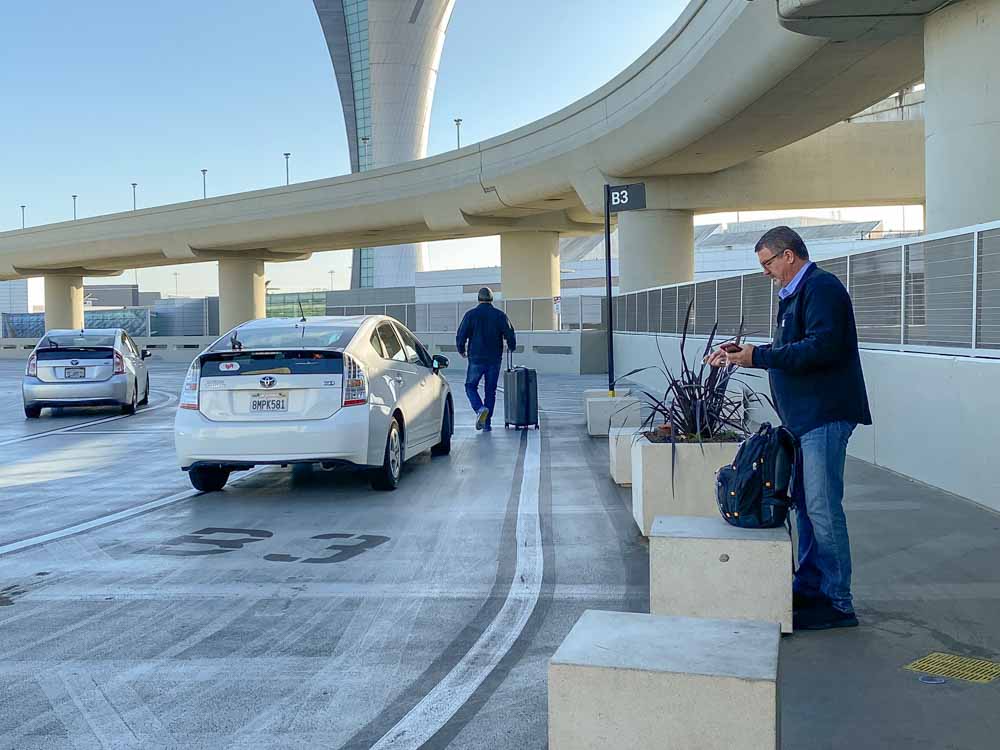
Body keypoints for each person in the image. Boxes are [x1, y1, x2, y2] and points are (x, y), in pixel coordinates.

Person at [707, 226, 872, 630]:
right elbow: (791, 350)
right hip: (803, 419)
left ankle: (837, 601)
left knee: (821, 506)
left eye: (767, 263)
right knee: (805, 506)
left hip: (824, 417)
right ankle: (811, 585)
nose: (766, 272)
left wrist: (758, 356)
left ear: (788, 256)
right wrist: (744, 353)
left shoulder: (822, 288)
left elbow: (822, 347)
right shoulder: (795, 294)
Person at [455, 287, 516, 432]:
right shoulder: (500, 315)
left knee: (470, 386)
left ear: (478, 298)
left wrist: (461, 350)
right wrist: (511, 346)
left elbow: (461, 334)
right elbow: (510, 333)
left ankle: (479, 408)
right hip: (494, 358)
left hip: (476, 357)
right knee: (490, 391)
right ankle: (487, 424)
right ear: (491, 299)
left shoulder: (471, 315)